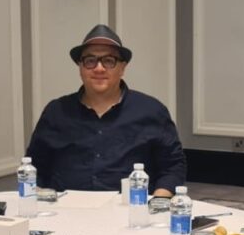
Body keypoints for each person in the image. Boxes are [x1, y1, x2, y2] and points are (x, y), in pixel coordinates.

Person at [26, 25, 185, 195]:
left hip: (132, 207)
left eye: (109, 60)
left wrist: (157, 202)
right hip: (64, 206)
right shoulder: (56, 112)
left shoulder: (152, 111)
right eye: (90, 60)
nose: (99, 68)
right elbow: (35, 168)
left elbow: (172, 168)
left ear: (122, 68)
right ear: (80, 67)